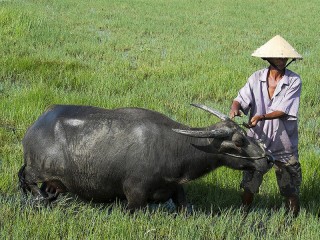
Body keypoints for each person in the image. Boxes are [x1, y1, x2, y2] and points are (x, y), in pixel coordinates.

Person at [229, 35, 303, 216]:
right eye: (278, 57)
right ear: (268, 58)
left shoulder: (293, 81)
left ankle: (293, 222)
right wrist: (235, 108)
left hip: (284, 145)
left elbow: (284, 110)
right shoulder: (256, 78)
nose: (282, 60)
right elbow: (239, 99)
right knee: (249, 185)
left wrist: (261, 116)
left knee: (290, 188)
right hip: (257, 143)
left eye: (285, 57)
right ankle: (243, 215)